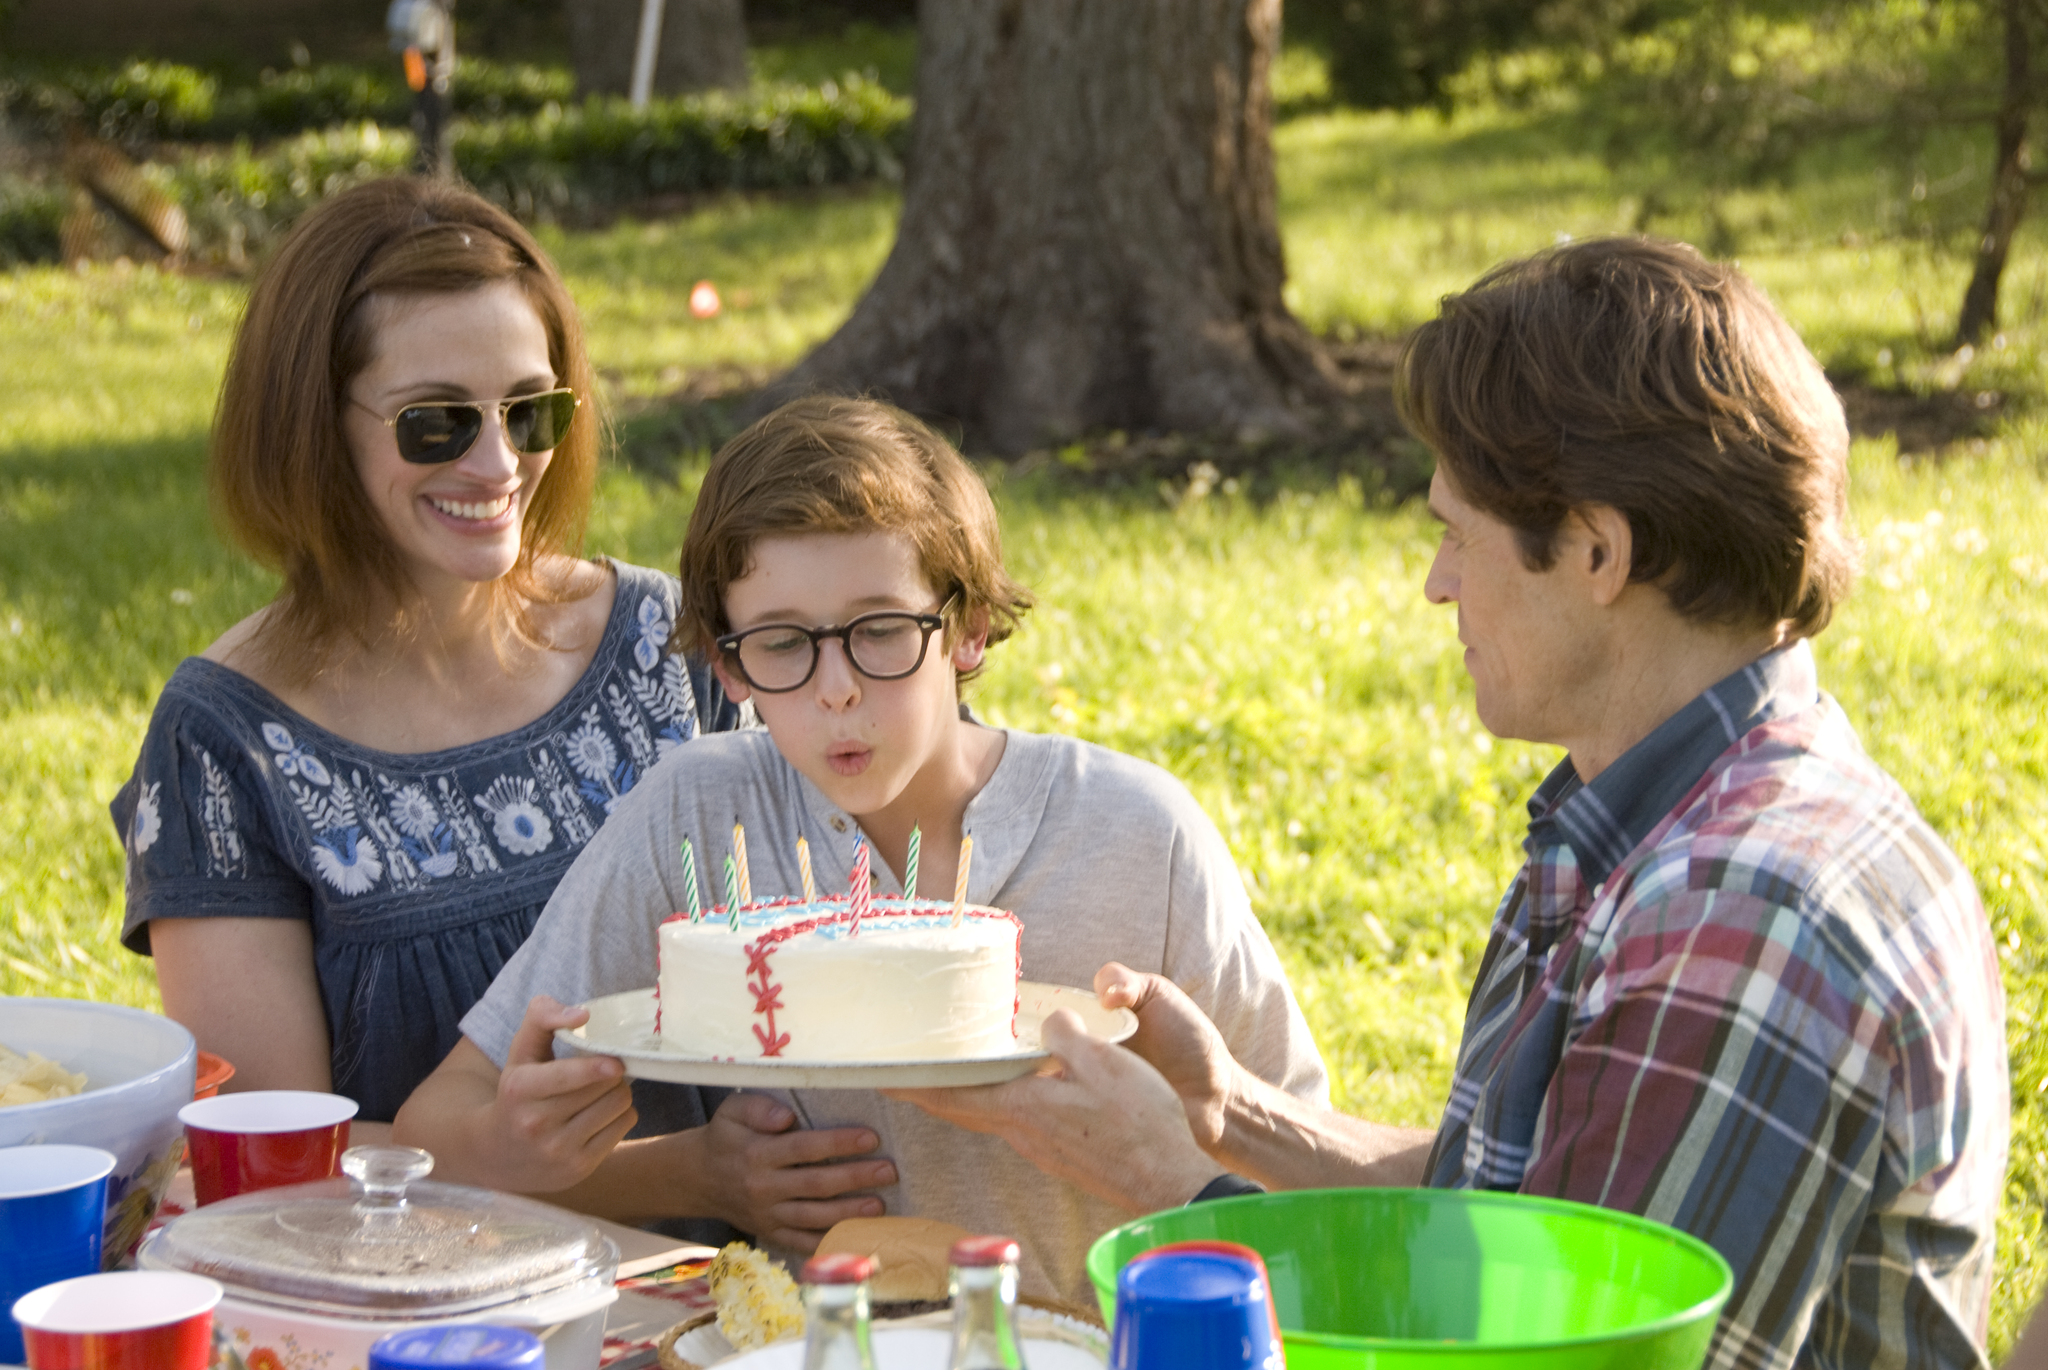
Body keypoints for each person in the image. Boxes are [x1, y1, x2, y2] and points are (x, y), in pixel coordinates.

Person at [894, 238, 2010, 1370]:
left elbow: (1552, 1354)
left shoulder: (1740, 921)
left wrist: (1174, 1190)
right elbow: (1503, 1206)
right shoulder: (1666, 819)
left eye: (1455, 531)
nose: (1436, 581)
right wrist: (1226, 1108)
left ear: (1594, 549)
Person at [392, 395, 1329, 1302]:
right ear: (726, 663)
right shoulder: (701, 812)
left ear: (965, 628)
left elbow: (1305, 1176)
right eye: (783, 643)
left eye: (881, 630)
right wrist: (520, 1148)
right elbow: (436, 1127)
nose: (835, 688)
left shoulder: (1134, 835)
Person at [109, 177, 740, 1134]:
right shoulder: (228, 741)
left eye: (530, 411)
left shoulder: (666, 641)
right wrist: (690, 1175)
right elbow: (277, 1156)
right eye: (436, 421)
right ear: (314, 427)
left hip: (775, 1267)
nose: (496, 465)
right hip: (445, 1278)